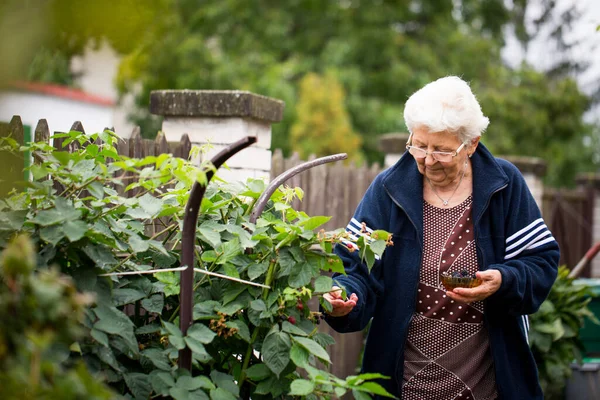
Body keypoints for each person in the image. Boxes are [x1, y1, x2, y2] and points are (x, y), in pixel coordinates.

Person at [323, 76, 559, 400]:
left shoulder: (504, 187)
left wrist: (504, 280)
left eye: (442, 150)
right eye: (419, 145)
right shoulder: (388, 190)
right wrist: (343, 299)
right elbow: (354, 268)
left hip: (489, 388)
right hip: (405, 387)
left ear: (472, 144)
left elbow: (541, 262)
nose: (427, 159)